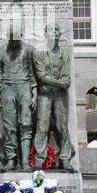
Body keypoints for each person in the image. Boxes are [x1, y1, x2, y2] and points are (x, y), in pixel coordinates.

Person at [33, 23, 76, 172]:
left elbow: (67, 81)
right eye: (51, 31)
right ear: (46, 34)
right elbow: (40, 76)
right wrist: (58, 83)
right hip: (44, 96)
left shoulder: (64, 54)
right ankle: (39, 158)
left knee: (62, 127)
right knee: (42, 126)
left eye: (57, 30)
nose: (55, 33)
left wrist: (51, 83)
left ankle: (65, 159)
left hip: (59, 95)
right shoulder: (39, 53)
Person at [0, 24, 37, 171]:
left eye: (15, 39)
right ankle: (11, 159)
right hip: (7, 88)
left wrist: (34, 95)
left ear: (21, 36)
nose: (13, 42)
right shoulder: (0, 52)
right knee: (9, 126)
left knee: (26, 125)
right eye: (10, 39)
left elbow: (33, 75)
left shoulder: (29, 51)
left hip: (25, 87)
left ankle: (25, 161)